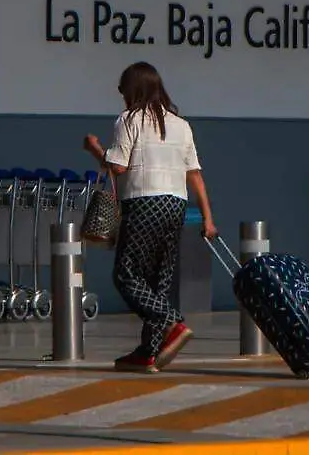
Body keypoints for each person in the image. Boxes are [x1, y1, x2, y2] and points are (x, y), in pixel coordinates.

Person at [83, 61, 216, 373]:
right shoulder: (181, 125)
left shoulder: (128, 120)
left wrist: (94, 149)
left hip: (144, 203)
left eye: (122, 90)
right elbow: (194, 174)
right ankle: (149, 352)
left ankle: (170, 321)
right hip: (176, 205)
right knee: (159, 279)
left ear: (132, 90)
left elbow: (117, 167)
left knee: (126, 274)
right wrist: (208, 219)